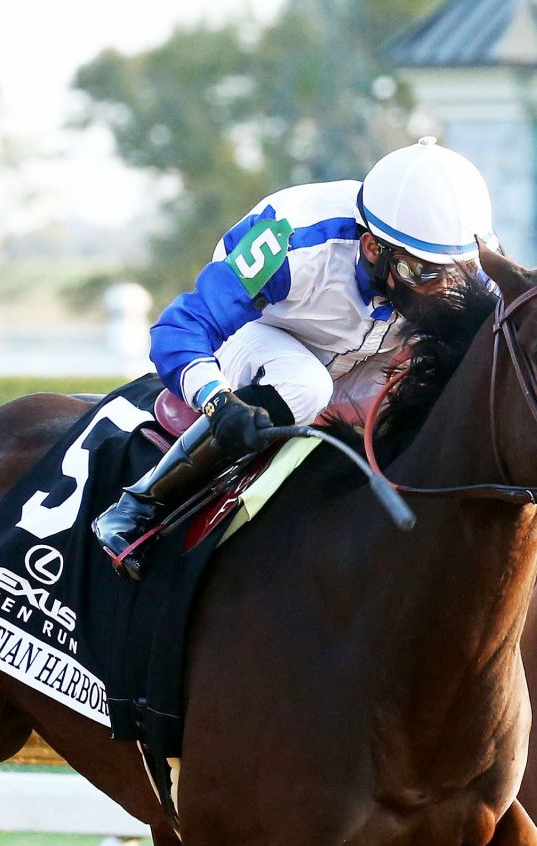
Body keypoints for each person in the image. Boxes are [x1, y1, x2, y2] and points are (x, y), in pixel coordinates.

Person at [92, 137, 494, 577]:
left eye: (456, 275)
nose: (441, 293)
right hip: (264, 336)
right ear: (373, 249)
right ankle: (137, 507)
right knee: (305, 385)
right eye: (420, 274)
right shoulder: (290, 239)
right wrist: (218, 400)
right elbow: (180, 329)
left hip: (366, 357)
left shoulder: (461, 255)